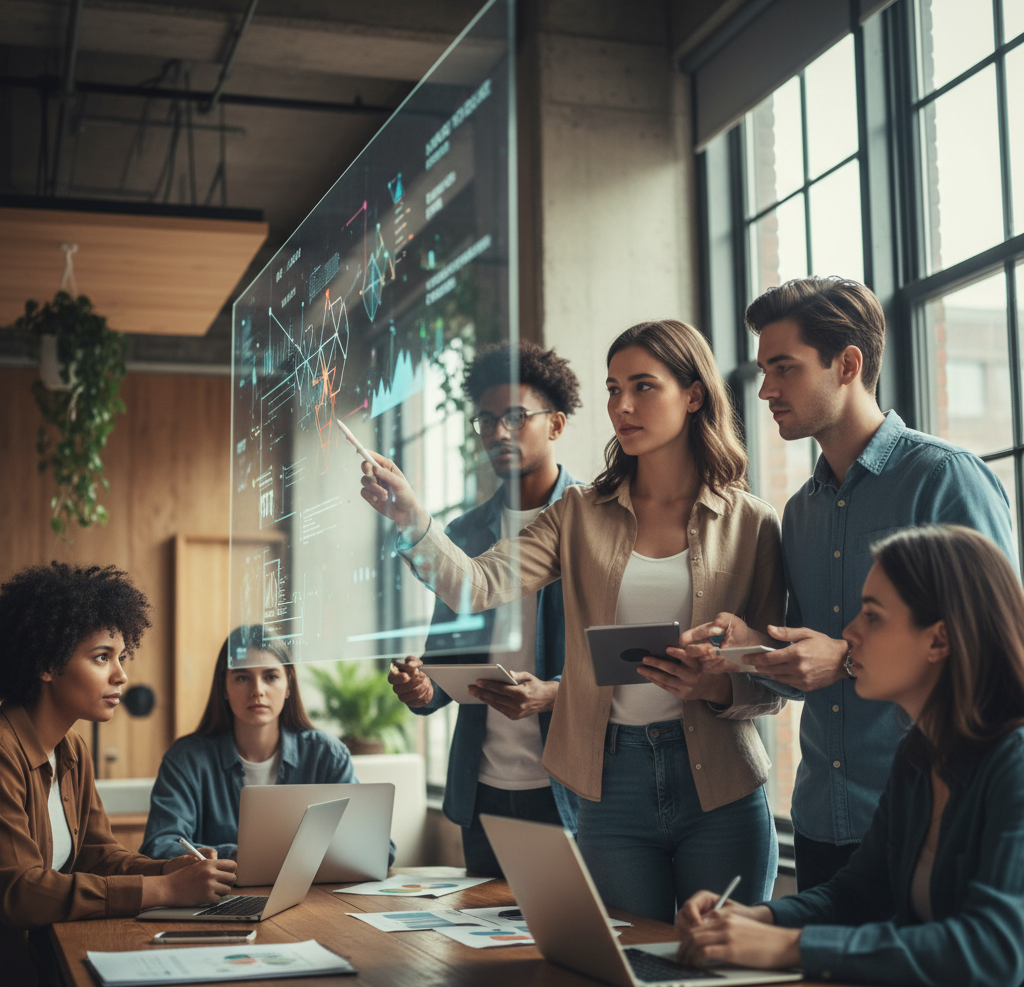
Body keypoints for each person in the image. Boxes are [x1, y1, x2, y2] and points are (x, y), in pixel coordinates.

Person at [358, 321, 786, 922]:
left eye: (643, 386)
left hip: (721, 783)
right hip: (611, 787)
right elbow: (474, 584)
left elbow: (771, 682)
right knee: (619, 970)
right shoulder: (579, 514)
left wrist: (715, 683)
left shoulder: (753, 523)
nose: (622, 406)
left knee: (725, 972)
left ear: (694, 394)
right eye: (614, 389)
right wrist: (409, 516)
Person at [684, 277, 1015, 890]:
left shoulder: (946, 479)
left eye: (784, 368)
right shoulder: (800, 513)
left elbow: (999, 649)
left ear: (849, 364)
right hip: (820, 823)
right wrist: (749, 647)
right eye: (763, 370)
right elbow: (807, 669)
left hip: (932, 816)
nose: (765, 390)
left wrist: (843, 657)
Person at [676, 525, 1024, 987]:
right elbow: (858, 895)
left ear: (939, 640)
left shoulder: (1016, 763)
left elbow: (995, 951)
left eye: (873, 617)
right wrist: (760, 920)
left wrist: (789, 947)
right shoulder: (920, 753)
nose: (849, 632)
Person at [0, 563, 235, 987]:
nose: (121, 675)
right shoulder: (3, 752)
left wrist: (170, 867)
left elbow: (96, 853)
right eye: (102, 657)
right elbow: (19, 892)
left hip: (46, 974)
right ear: (47, 663)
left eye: (122, 657)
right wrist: (161, 889)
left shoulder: (70, 748)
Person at [387, 341, 583, 876]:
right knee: (481, 953)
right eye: (488, 420)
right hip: (483, 790)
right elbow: (443, 660)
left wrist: (550, 695)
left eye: (517, 417)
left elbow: (622, 671)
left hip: (571, 790)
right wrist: (423, 688)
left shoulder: (593, 522)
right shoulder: (463, 533)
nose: (498, 432)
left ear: (557, 424)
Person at [141, 625, 392, 863]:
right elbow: (159, 846)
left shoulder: (327, 755)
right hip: (220, 898)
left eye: (270, 676)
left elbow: (379, 847)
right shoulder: (185, 759)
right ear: (224, 687)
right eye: (242, 678)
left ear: (288, 685)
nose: (257, 690)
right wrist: (241, 855)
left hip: (312, 897)